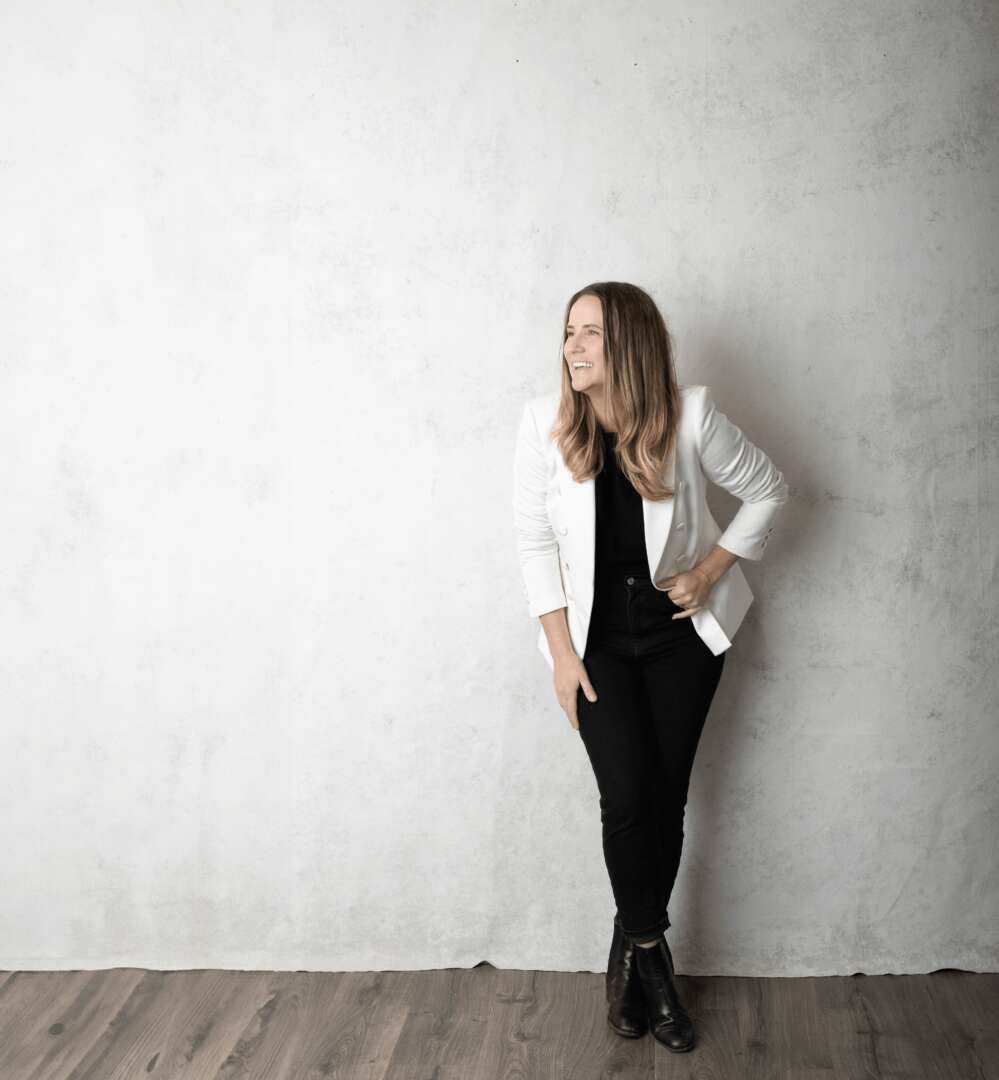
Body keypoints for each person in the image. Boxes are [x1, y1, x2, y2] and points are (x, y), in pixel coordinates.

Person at [511, 281, 789, 1053]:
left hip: (679, 636)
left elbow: (769, 491)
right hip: (594, 639)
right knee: (627, 796)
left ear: (627, 344)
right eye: (568, 330)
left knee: (663, 799)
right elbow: (533, 543)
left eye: (590, 333)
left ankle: (630, 949)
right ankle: (651, 961)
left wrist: (708, 571)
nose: (571, 346)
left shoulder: (689, 415)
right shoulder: (542, 425)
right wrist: (560, 656)